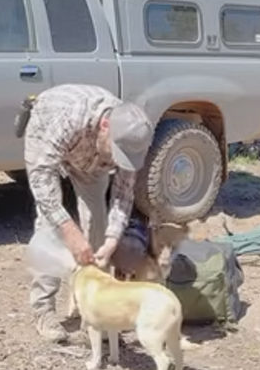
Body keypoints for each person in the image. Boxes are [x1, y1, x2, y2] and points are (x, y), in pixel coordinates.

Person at [23, 84, 155, 342]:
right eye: (116, 153)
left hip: (90, 163)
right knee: (51, 227)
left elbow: (124, 193)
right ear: (105, 126)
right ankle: (44, 309)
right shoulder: (71, 117)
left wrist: (112, 238)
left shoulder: (130, 137)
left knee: (97, 222)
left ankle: (95, 310)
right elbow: (41, 178)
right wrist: (69, 231)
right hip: (47, 137)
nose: (119, 161)